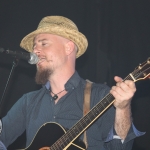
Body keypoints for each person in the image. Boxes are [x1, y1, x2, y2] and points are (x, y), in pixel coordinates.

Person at [0, 16, 144, 150]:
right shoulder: (28, 102)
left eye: (43, 43)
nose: (35, 50)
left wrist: (123, 108)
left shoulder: (100, 95)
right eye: (34, 46)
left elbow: (121, 147)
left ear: (68, 47)